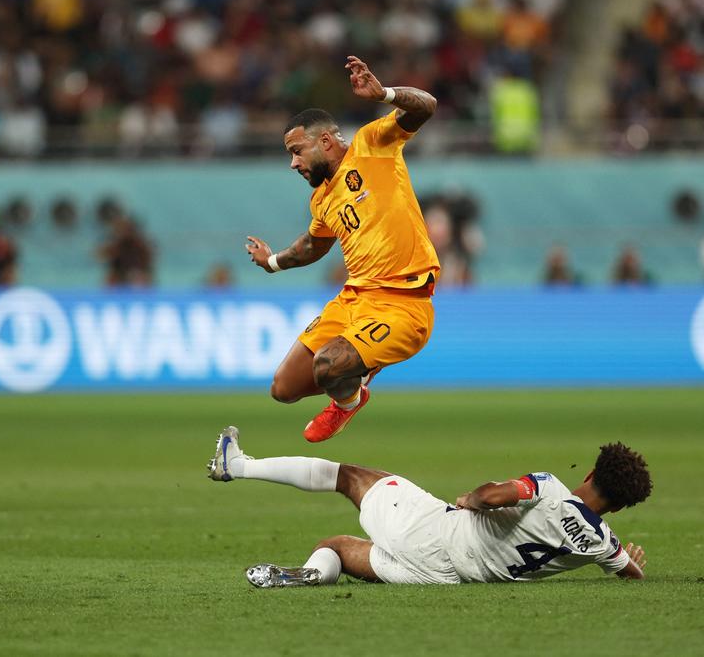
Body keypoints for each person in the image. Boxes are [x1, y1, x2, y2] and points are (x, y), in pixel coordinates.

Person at [245, 55, 440, 442]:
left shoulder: (372, 146)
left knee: (330, 365)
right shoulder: (321, 199)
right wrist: (272, 262)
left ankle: (348, 401)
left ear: (326, 140)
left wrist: (384, 93)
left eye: (297, 151)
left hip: (403, 304)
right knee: (283, 388)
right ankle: (354, 376)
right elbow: (312, 246)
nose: (293, 163)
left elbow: (427, 105)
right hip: (354, 299)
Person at [207, 427, 651, 587]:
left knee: (348, 477)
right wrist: (627, 562)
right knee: (338, 548)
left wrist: (472, 499)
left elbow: (499, 495)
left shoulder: (552, 490)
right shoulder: (600, 543)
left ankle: (238, 465)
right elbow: (629, 572)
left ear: (591, 475)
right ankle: (310, 573)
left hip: (434, 533)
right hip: (443, 577)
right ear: (620, 505)